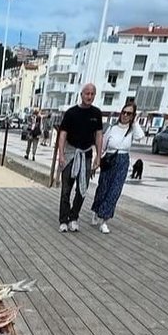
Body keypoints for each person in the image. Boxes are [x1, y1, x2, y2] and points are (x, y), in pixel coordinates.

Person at [90, 103, 146, 233]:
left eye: (129, 113)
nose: (125, 115)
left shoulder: (132, 130)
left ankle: (104, 219)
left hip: (122, 160)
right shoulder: (112, 128)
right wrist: (97, 159)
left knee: (115, 190)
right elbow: (103, 145)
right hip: (109, 158)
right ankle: (96, 210)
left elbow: (140, 137)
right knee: (103, 188)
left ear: (133, 115)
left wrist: (135, 123)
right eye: (124, 112)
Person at [56, 83, 104, 232]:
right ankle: (63, 219)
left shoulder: (96, 114)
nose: (89, 96)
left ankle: (74, 217)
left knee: (82, 188)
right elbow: (62, 134)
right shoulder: (71, 113)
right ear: (81, 95)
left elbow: (99, 135)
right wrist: (61, 155)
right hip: (71, 153)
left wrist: (98, 156)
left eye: (92, 94)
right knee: (66, 189)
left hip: (86, 154)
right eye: (87, 93)